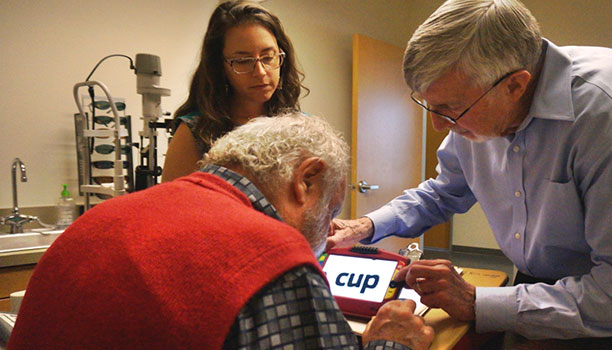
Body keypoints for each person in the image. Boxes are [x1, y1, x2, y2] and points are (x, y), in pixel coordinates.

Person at [329, 0, 612, 348]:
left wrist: (477, 302)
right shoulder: (477, 103)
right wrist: (365, 227)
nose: (439, 125)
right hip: (537, 287)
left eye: (450, 109)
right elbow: (445, 191)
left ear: (515, 85)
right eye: (429, 105)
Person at [8, 113, 433, 350]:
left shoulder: (101, 219)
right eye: (332, 209)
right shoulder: (270, 254)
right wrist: (390, 344)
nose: (327, 231)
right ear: (306, 181)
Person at [162, 0, 307, 182]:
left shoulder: (301, 128)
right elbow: (171, 206)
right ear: (220, 67)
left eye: (268, 57)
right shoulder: (195, 133)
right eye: (243, 61)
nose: (260, 72)